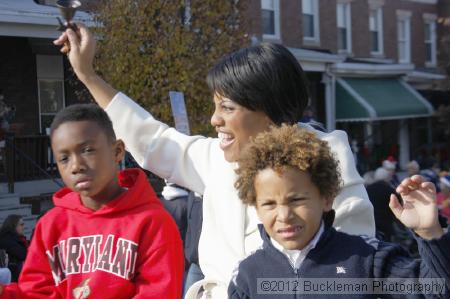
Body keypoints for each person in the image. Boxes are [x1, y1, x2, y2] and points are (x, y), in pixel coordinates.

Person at [54, 25, 375, 298]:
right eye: (215, 106)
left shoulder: (325, 161)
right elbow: (151, 140)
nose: (214, 120)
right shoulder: (219, 160)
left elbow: (352, 269)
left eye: (228, 108)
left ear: (269, 108)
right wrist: (88, 74)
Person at [229, 125, 449, 298]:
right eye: (269, 204)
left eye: (296, 200)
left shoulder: (367, 258)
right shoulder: (247, 274)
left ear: (326, 198)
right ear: (255, 207)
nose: (284, 215)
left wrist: (430, 232)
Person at [0, 104, 184, 298]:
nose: (76, 166)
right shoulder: (51, 224)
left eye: (87, 150)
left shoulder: (153, 223)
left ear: (118, 152)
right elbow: (36, 293)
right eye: (64, 158)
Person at [0, 215, 28, 282]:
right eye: (21, 225)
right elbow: (23, 254)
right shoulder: (6, 239)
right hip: (12, 277)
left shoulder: (18, 239)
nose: (23, 227)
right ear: (13, 226)